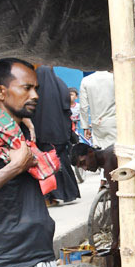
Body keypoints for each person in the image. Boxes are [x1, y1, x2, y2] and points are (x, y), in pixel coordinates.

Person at [0, 58, 87, 267]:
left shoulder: (19, 133)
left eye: (36, 87)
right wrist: (12, 168)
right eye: (27, 88)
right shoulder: (2, 141)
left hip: (38, 260)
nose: (35, 94)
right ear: (1, 91)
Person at [32, 66, 81, 205]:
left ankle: (51, 196)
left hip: (42, 133)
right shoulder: (60, 84)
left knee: (47, 163)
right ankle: (68, 193)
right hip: (60, 132)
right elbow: (67, 109)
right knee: (61, 160)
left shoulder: (35, 87)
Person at [79, 71, 116, 148]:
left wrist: (85, 126)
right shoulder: (115, 77)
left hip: (97, 123)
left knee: (100, 152)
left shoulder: (86, 80)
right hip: (115, 121)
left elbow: (83, 107)